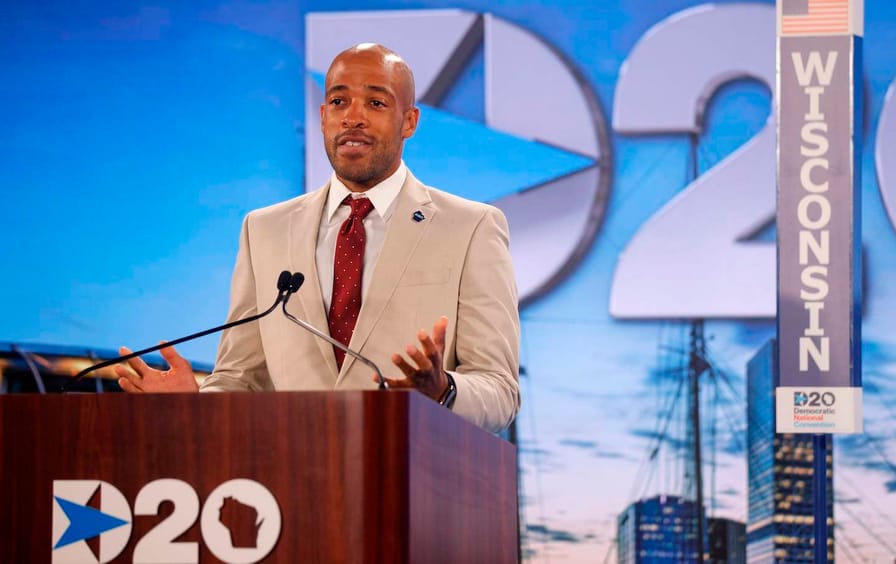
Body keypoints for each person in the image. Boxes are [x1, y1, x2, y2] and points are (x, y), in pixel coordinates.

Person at [115, 43, 520, 433]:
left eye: (376, 103)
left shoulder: (470, 227)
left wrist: (444, 391)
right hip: (291, 472)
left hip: (410, 470)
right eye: (339, 102)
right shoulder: (264, 230)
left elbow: (500, 391)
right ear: (324, 116)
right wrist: (195, 404)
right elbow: (242, 377)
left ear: (409, 121)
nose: (353, 117)